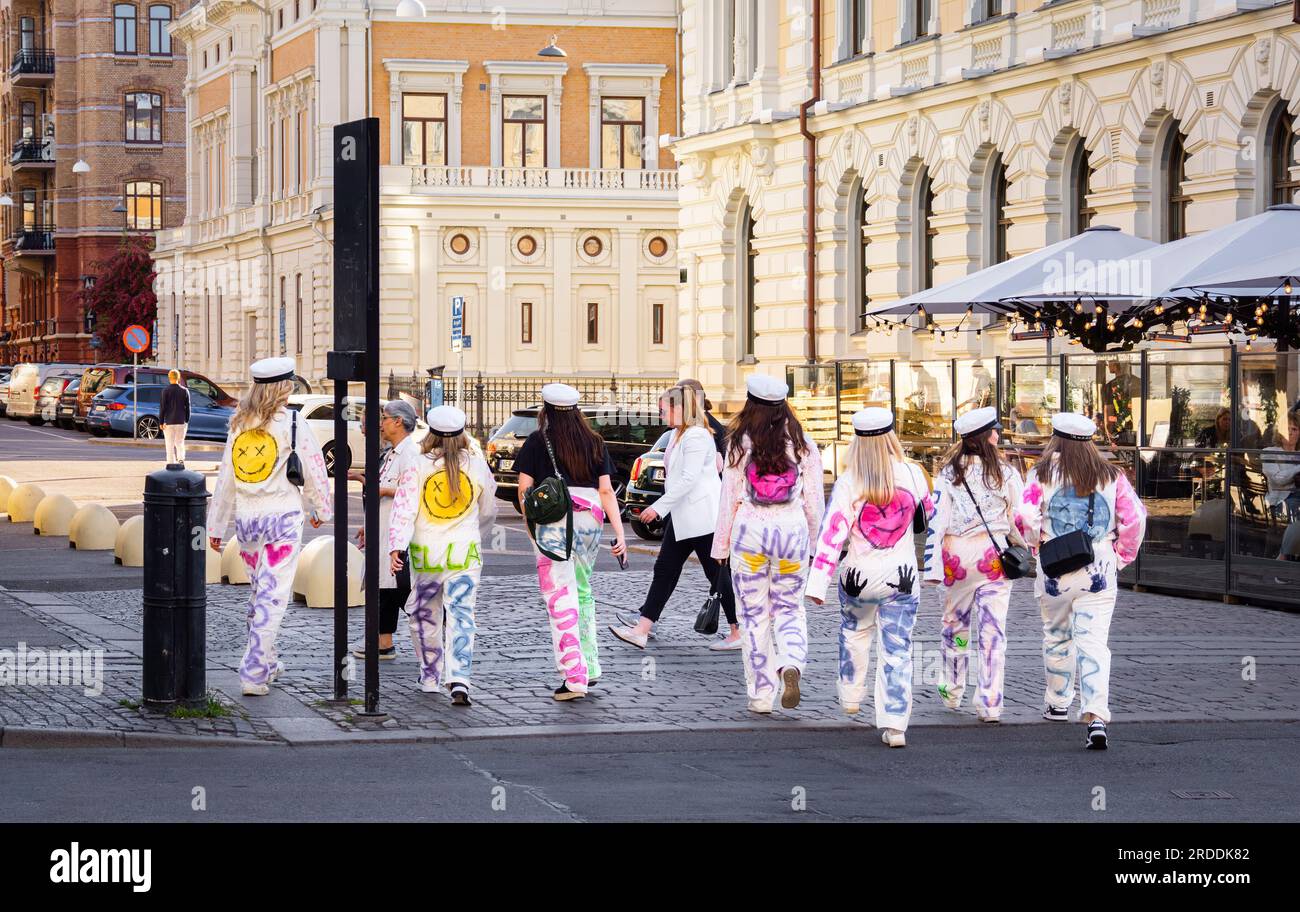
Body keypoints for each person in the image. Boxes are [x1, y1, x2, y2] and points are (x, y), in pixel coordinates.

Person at [1014, 412, 1147, 750]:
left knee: (1057, 634)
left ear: (1055, 439)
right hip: (1099, 566)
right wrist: (1121, 556)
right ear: (1090, 442)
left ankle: (1058, 702)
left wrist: (1036, 543)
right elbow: (1135, 519)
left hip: (1055, 566)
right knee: (1093, 642)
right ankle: (1095, 714)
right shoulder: (1112, 475)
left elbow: (1024, 517)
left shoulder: (1041, 474)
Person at [805, 408, 934, 747]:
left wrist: (817, 583)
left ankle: (850, 693)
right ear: (891, 437)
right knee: (898, 649)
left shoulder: (850, 481)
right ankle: (895, 725)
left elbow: (832, 534)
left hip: (857, 575)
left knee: (854, 632)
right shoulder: (913, 474)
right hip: (901, 576)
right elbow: (930, 517)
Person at [208, 357, 332, 696]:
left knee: (259, 591)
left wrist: (216, 525)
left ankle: (270, 660)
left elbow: (225, 478)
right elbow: (314, 467)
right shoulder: (291, 422)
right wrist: (321, 508)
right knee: (273, 596)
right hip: (283, 521)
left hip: (247, 521)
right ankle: (254, 671)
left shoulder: (239, 424)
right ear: (285, 386)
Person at [712, 374, 825, 715]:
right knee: (790, 607)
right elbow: (813, 500)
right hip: (791, 535)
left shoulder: (738, 443)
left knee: (753, 615)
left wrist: (720, 548)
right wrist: (816, 543)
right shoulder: (803, 443)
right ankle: (791, 660)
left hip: (750, 536)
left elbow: (729, 498)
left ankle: (762, 693)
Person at [516, 383, 627, 701]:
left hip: (555, 520)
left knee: (559, 598)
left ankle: (574, 678)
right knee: (582, 591)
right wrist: (619, 533)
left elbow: (524, 489)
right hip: (591, 518)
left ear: (546, 409)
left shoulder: (539, 441)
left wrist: (531, 528)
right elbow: (606, 490)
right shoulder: (594, 441)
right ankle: (590, 667)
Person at [609, 385, 740, 651]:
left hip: (702, 518)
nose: (661, 416)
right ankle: (642, 629)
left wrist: (658, 508)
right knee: (665, 570)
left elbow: (689, 478)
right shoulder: (678, 435)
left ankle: (739, 630)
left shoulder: (697, 436)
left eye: (663, 410)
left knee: (716, 573)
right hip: (685, 518)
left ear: (679, 408)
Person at [388, 405, 496, 706]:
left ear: (431, 434)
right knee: (462, 614)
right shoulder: (476, 464)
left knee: (424, 613)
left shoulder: (418, 463)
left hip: (428, 551)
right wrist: (476, 532)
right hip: (466, 551)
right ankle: (460, 677)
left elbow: (404, 508)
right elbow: (489, 509)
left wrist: (396, 545)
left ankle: (430, 675)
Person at [923, 406, 1025, 723]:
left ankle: (953, 689)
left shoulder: (948, 474)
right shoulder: (1006, 473)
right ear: (985, 437)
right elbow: (1017, 518)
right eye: (994, 431)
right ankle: (990, 702)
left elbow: (936, 521)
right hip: (992, 557)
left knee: (956, 626)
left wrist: (932, 567)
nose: (998, 435)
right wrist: (1023, 546)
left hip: (957, 557)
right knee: (993, 632)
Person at [351, 400, 419, 661]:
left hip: (398, 532)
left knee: (403, 589)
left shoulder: (410, 455)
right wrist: (368, 524)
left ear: (398, 422)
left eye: (385, 418)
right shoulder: (393, 453)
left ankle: (435, 631)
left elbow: (413, 493)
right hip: (383, 528)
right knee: (384, 587)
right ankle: (383, 643)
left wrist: (384, 490)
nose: (382, 423)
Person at [1101, 361, 1140, 446]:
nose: (1107, 365)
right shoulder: (1139, 382)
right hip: (1139, 433)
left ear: (1116, 365)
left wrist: (1110, 437)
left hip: (1119, 435)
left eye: (1109, 362)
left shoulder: (1110, 386)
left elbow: (1109, 416)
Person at [159, 369, 190, 466]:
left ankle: (170, 463)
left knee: (169, 444)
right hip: (181, 421)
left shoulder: (165, 391)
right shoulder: (185, 391)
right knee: (180, 442)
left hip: (169, 421)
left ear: (169, 378)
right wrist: (186, 420)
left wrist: (161, 422)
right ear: (179, 378)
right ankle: (181, 460)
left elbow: (163, 407)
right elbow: (188, 407)